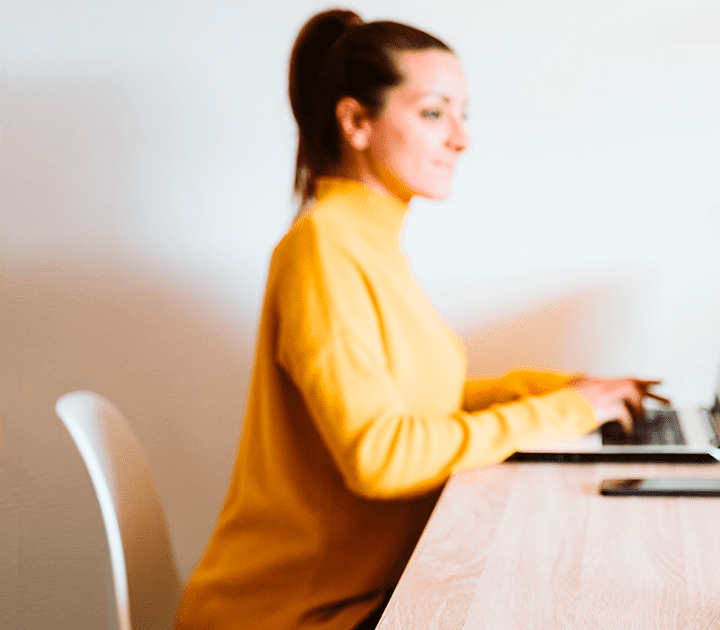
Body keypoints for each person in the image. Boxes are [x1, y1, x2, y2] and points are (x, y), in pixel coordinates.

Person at [174, 9, 663, 630]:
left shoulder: (367, 243)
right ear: (356, 122)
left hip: (364, 598)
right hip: (294, 615)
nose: (461, 137)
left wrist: (554, 390)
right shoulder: (323, 248)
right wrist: (564, 414)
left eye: (463, 114)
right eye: (434, 113)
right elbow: (381, 456)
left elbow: (413, 403)